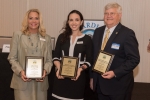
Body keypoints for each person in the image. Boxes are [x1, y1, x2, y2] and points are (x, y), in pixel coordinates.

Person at [90, 2, 140, 100]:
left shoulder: (127, 33)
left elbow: (134, 59)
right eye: (106, 13)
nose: (108, 16)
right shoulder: (97, 32)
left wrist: (115, 72)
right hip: (99, 85)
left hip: (119, 86)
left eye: (112, 13)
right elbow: (93, 56)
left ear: (119, 15)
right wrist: (92, 78)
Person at [8, 9, 53, 100]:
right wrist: (21, 71)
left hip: (41, 83)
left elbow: (49, 60)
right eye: (31, 18)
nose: (33, 21)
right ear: (26, 20)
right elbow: (12, 58)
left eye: (36, 18)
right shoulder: (18, 35)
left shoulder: (47, 38)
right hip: (22, 82)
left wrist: (45, 71)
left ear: (40, 20)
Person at [52, 10, 93, 100]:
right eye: (71, 20)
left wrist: (80, 69)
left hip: (78, 79)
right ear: (68, 22)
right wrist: (59, 68)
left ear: (81, 22)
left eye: (77, 20)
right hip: (60, 78)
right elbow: (55, 57)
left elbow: (89, 60)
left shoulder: (87, 39)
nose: (74, 23)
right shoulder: (61, 37)